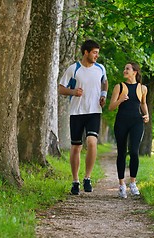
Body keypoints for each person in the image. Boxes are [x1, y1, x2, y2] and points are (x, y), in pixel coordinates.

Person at [58, 40, 108, 195]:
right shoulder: (74, 69)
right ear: (86, 52)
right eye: (94, 52)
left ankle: (87, 177)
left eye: (98, 53)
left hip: (94, 111)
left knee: (92, 142)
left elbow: (104, 82)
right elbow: (61, 88)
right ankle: (75, 181)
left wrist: (103, 95)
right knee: (76, 147)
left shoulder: (100, 68)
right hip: (77, 112)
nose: (97, 56)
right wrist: (73, 92)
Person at [108, 62, 149, 198]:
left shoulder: (143, 88)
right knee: (121, 152)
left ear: (135, 72)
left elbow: (143, 103)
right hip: (121, 122)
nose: (124, 70)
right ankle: (121, 185)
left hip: (136, 122)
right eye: (124, 68)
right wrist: (120, 100)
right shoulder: (119, 87)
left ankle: (132, 183)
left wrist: (146, 114)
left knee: (134, 151)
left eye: (127, 69)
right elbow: (111, 107)